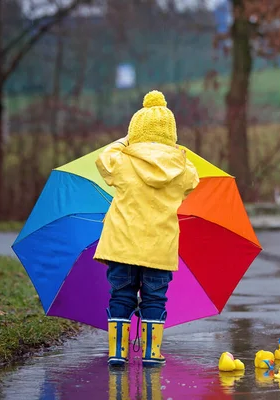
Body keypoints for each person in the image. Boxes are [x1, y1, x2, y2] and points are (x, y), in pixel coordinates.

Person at [93, 90, 199, 367]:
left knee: (121, 295)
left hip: (121, 246)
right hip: (159, 249)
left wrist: (127, 142)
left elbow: (103, 158)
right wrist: (175, 152)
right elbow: (193, 180)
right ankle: (152, 353)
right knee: (154, 298)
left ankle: (118, 352)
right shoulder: (181, 167)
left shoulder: (122, 159)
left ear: (134, 131)